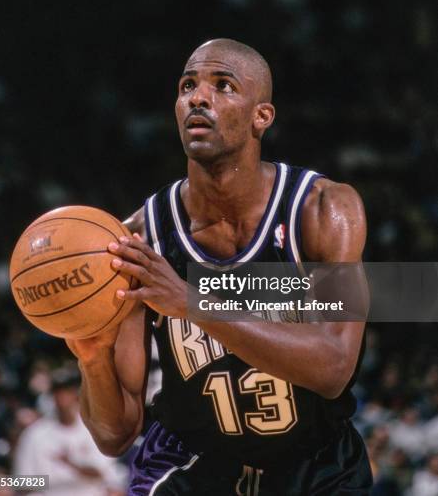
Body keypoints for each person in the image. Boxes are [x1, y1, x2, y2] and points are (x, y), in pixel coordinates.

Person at [67, 39, 372, 495]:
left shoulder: (323, 209)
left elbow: (333, 369)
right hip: (192, 466)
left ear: (261, 117)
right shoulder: (140, 239)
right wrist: (92, 360)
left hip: (317, 466)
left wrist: (194, 302)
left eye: (222, 85)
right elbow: (115, 435)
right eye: (187, 85)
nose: (198, 97)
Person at [13, 369, 127, 496]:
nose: (63, 398)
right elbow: (23, 483)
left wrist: (69, 463)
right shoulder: (35, 433)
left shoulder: (94, 429)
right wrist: (51, 481)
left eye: (67, 392)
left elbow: (103, 473)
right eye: (58, 393)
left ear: (77, 394)